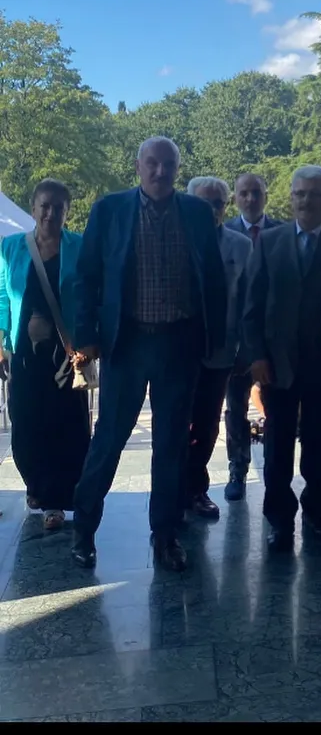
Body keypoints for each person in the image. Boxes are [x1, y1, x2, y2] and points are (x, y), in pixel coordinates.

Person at [71, 137, 227, 571]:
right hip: (127, 344)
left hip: (179, 345)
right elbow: (86, 277)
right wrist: (86, 337)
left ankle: (165, 535)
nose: (160, 172)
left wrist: (214, 339)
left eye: (168, 165)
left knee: (172, 445)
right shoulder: (110, 210)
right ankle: (83, 531)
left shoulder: (197, 213)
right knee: (108, 441)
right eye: (153, 164)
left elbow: (214, 279)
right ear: (138, 166)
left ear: (177, 168)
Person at [243, 166, 321, 552]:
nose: (307, 201)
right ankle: (280, 520)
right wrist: (256, 356)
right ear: (291, 197)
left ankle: (316, 514)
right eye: (300, 193)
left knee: (320, 447)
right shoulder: (269, 242)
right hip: (277, 364)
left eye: (316, 194)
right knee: (277, 449)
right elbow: (252, 305)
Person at [0, 180, 90, 531]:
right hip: (24, 351)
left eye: (58, 207)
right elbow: (2, 295)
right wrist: (2, 341)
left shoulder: (79, 247)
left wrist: (89, 341)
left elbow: (90, 297)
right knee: (25, 423)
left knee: (66, 423)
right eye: (44, 206)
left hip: (66, 351)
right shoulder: (10, 247)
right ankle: (35, 485)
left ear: (67, 211)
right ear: (33, 207)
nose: (50, 213)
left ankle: (56, 500)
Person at [184, 176, 252, 519]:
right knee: (175, 423)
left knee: (208, 424)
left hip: (221, 351)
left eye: (217, 204)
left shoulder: (242, 246)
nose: (211, 210)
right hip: (178, 351)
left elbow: (248, 303)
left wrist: (245, 349)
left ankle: (196, 489)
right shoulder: (175, 240)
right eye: (203, 203)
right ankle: (170, 492)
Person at [223, 172, 280, 501]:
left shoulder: (282, 233)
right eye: (243, 193)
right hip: (235, 342)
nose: (250, 199)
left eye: (256, 192)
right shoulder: (225, 233)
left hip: (273, 339)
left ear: (265, 196)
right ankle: (238, 469)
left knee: (276, 407)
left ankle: (275, 472)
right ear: (235, 199)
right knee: (236, 408)